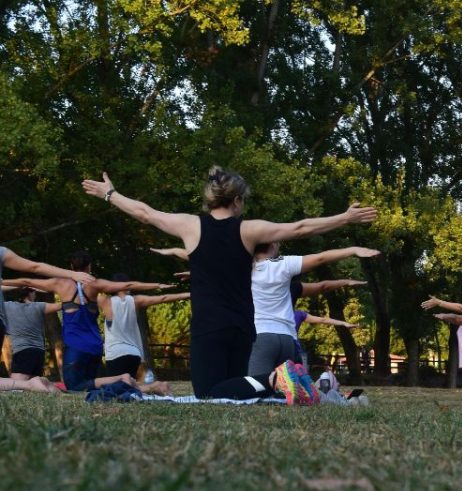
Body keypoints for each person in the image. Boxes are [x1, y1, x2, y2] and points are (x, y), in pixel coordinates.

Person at [82, 167, 378, 397]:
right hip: (242, 325)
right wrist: (344, 218)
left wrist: (110, 194)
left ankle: (277, 379)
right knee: (237, 389)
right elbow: (300, 228)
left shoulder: (190, 225)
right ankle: (298, 383)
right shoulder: (249, 230)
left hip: (210, 325)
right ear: (236, 200)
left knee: (208, 392)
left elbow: (145, 213)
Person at [4, 256, 172, 392]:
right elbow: (128, 285)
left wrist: (3, 282)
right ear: (89, 267)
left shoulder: (60, 284)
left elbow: (25, 281)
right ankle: (148, 386)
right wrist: (157, 285)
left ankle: (123, 379)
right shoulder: (96, 284)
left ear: (70, 266)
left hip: (75, 346)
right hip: (95, 346)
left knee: (74, 386)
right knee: (93, 385)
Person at [248, 243, 379, 374]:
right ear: (273, 245)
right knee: (286, 389)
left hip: (260, 335)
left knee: (257, 387)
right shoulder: (284, 265)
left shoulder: (243, 268)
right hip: (287, 339)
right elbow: (321, 266)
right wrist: (352, 251)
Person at [0, 246, 93, 353]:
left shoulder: (10, 306)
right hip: (37, 349)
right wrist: (72, 274)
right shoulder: (37, 307)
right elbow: (35, 267)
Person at [99, 274, 191, 380]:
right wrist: (190, 294)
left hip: (115, 353)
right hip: (134, 353)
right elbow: (163, 298)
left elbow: (92, 289)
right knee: (131, 388)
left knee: (116, 390)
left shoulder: (105, 301)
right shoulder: (136, 300)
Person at [3, 286, 60, 380]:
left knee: (17, 387)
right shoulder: (39, 306)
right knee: (34, 385)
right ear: (30, 293)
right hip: (39, 352)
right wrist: (48, 288)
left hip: (22, 351)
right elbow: (64, 305)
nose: (36, 295)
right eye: (34, 292)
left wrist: (15, 287)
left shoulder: (8, 306)